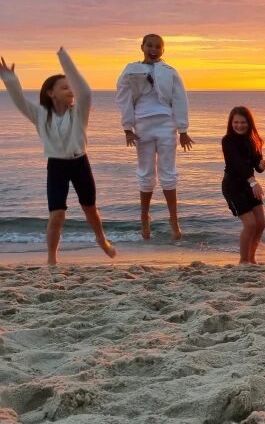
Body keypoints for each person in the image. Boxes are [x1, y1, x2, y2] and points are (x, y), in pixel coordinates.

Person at [0, 49, 117, 265]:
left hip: (80, 163)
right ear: (50, 93)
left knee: (90, 209)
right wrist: (8, 78)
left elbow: (85, 93)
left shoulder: (79, 112)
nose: (70, 90)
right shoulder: (40, 114)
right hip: (56, 166)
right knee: (57, 215)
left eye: (71, 86)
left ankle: (102, 240)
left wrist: (65, 60)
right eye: (64, 87)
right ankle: (52, 259)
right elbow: (19, 100)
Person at [115, 34, 192, 241]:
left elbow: (180, 99)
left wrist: (183, 130)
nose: (154, 49)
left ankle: (174, 219)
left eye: (158, 47)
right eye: (150, 45)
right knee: (146, 172)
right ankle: (144, 217)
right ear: (142, 46)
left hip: (166, 124)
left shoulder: (169, 71)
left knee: (168, 172)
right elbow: (123, 98)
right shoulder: (131, 70)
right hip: (142, 125)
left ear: (163, 50)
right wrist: (127, 128)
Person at [221, 106, 265, 264]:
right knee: (250, 224)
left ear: (249, 123)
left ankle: (251, 259)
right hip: (233, 186)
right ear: (231, 123)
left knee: (261, 224)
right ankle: (243, 261)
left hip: (249, 184)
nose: (239, 125)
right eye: (236, 122)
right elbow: (238, 164)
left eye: (243, 122)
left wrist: (261, 165)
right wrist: (253, 182)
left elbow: (256, 165)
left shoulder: (253, 140)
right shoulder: (228, 141)